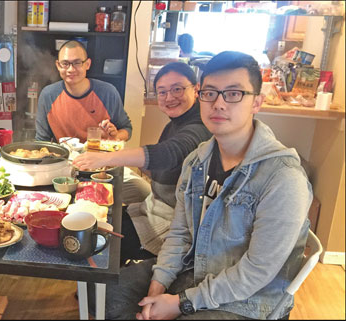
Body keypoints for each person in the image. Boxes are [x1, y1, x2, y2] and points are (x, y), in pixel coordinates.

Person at [96, 51, 312, 320]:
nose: (219, 104)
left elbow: (257, 271)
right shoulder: (198, 160)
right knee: (104, 296)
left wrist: (179, 303)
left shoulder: (283, 178)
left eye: (233, 94)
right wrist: (158, 285)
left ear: (256, 102)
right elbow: (179, 233)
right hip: (195, 270)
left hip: (247, 300)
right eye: (210, 93)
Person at [73, 62, 212, 263]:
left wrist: (104, 158)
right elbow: (158, 166)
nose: (169, 97)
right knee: (104, 220)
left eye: (177, 89)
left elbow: (170, 153)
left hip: (173, 221)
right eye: (162, 92)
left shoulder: (199, 127)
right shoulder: (178, 122)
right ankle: (100, 288)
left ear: (196, 89)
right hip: (153, 206)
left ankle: (106, 289)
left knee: (97, 239)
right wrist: (113, 147)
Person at [36, 40, 149, 204]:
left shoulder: (107, 92)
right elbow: (41, 141)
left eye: (77, 63)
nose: (71, 69)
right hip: (65, 168)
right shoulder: (48, 95)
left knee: (143, 191)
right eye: (65, 64)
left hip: (103, 167)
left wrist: (116, 135)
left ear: (87, 64)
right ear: (58, 65)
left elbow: (127, 129)